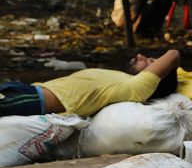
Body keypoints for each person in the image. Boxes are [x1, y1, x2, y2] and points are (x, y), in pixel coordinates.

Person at [0, 50, 181, 118]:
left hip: (34, 100)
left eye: (150, 61)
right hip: (26, 90)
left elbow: (173, 54)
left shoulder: (135, 88)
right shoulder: (120, 77)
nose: (140, 56)